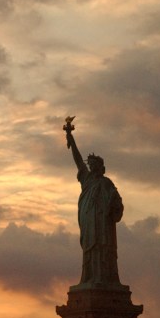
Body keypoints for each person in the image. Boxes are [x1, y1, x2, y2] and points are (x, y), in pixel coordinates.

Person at [63, 117, 124, 287]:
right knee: (90, 249)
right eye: (90, 164)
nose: (91, 167)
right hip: (89, 221)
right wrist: (70, 136)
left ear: (101, 167)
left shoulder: (106, 183)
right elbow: (77, 158)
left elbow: (117, 203)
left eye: (94, 164)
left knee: (103, 249)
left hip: (103, 223)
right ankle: (89, 278)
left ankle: (104, 279)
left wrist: (113, 206)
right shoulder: (87, 179)